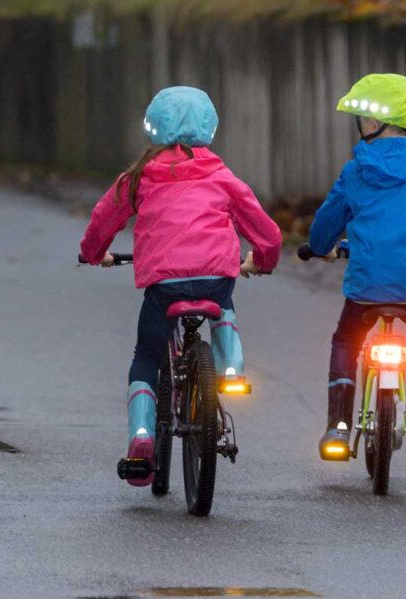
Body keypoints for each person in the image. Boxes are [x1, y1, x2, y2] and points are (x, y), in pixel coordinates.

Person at [80, 86, 282, 485]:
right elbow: (267, 234)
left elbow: (104, 220)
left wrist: (93, 254)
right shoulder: (221, 176)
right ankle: (231, 367)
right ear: (210, 128)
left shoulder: (139, 177)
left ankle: (141, 435)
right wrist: (262, 262)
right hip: (214, 278)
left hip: (165, 286)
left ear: (153, 129)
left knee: (147, 353)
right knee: (223, 304)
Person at [308, 74, 406, 459]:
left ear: (372, 123)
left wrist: (321, 247)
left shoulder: (355, 171)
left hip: (366, 287)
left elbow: (324, 227)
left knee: (346, 340)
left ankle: (338, 427)